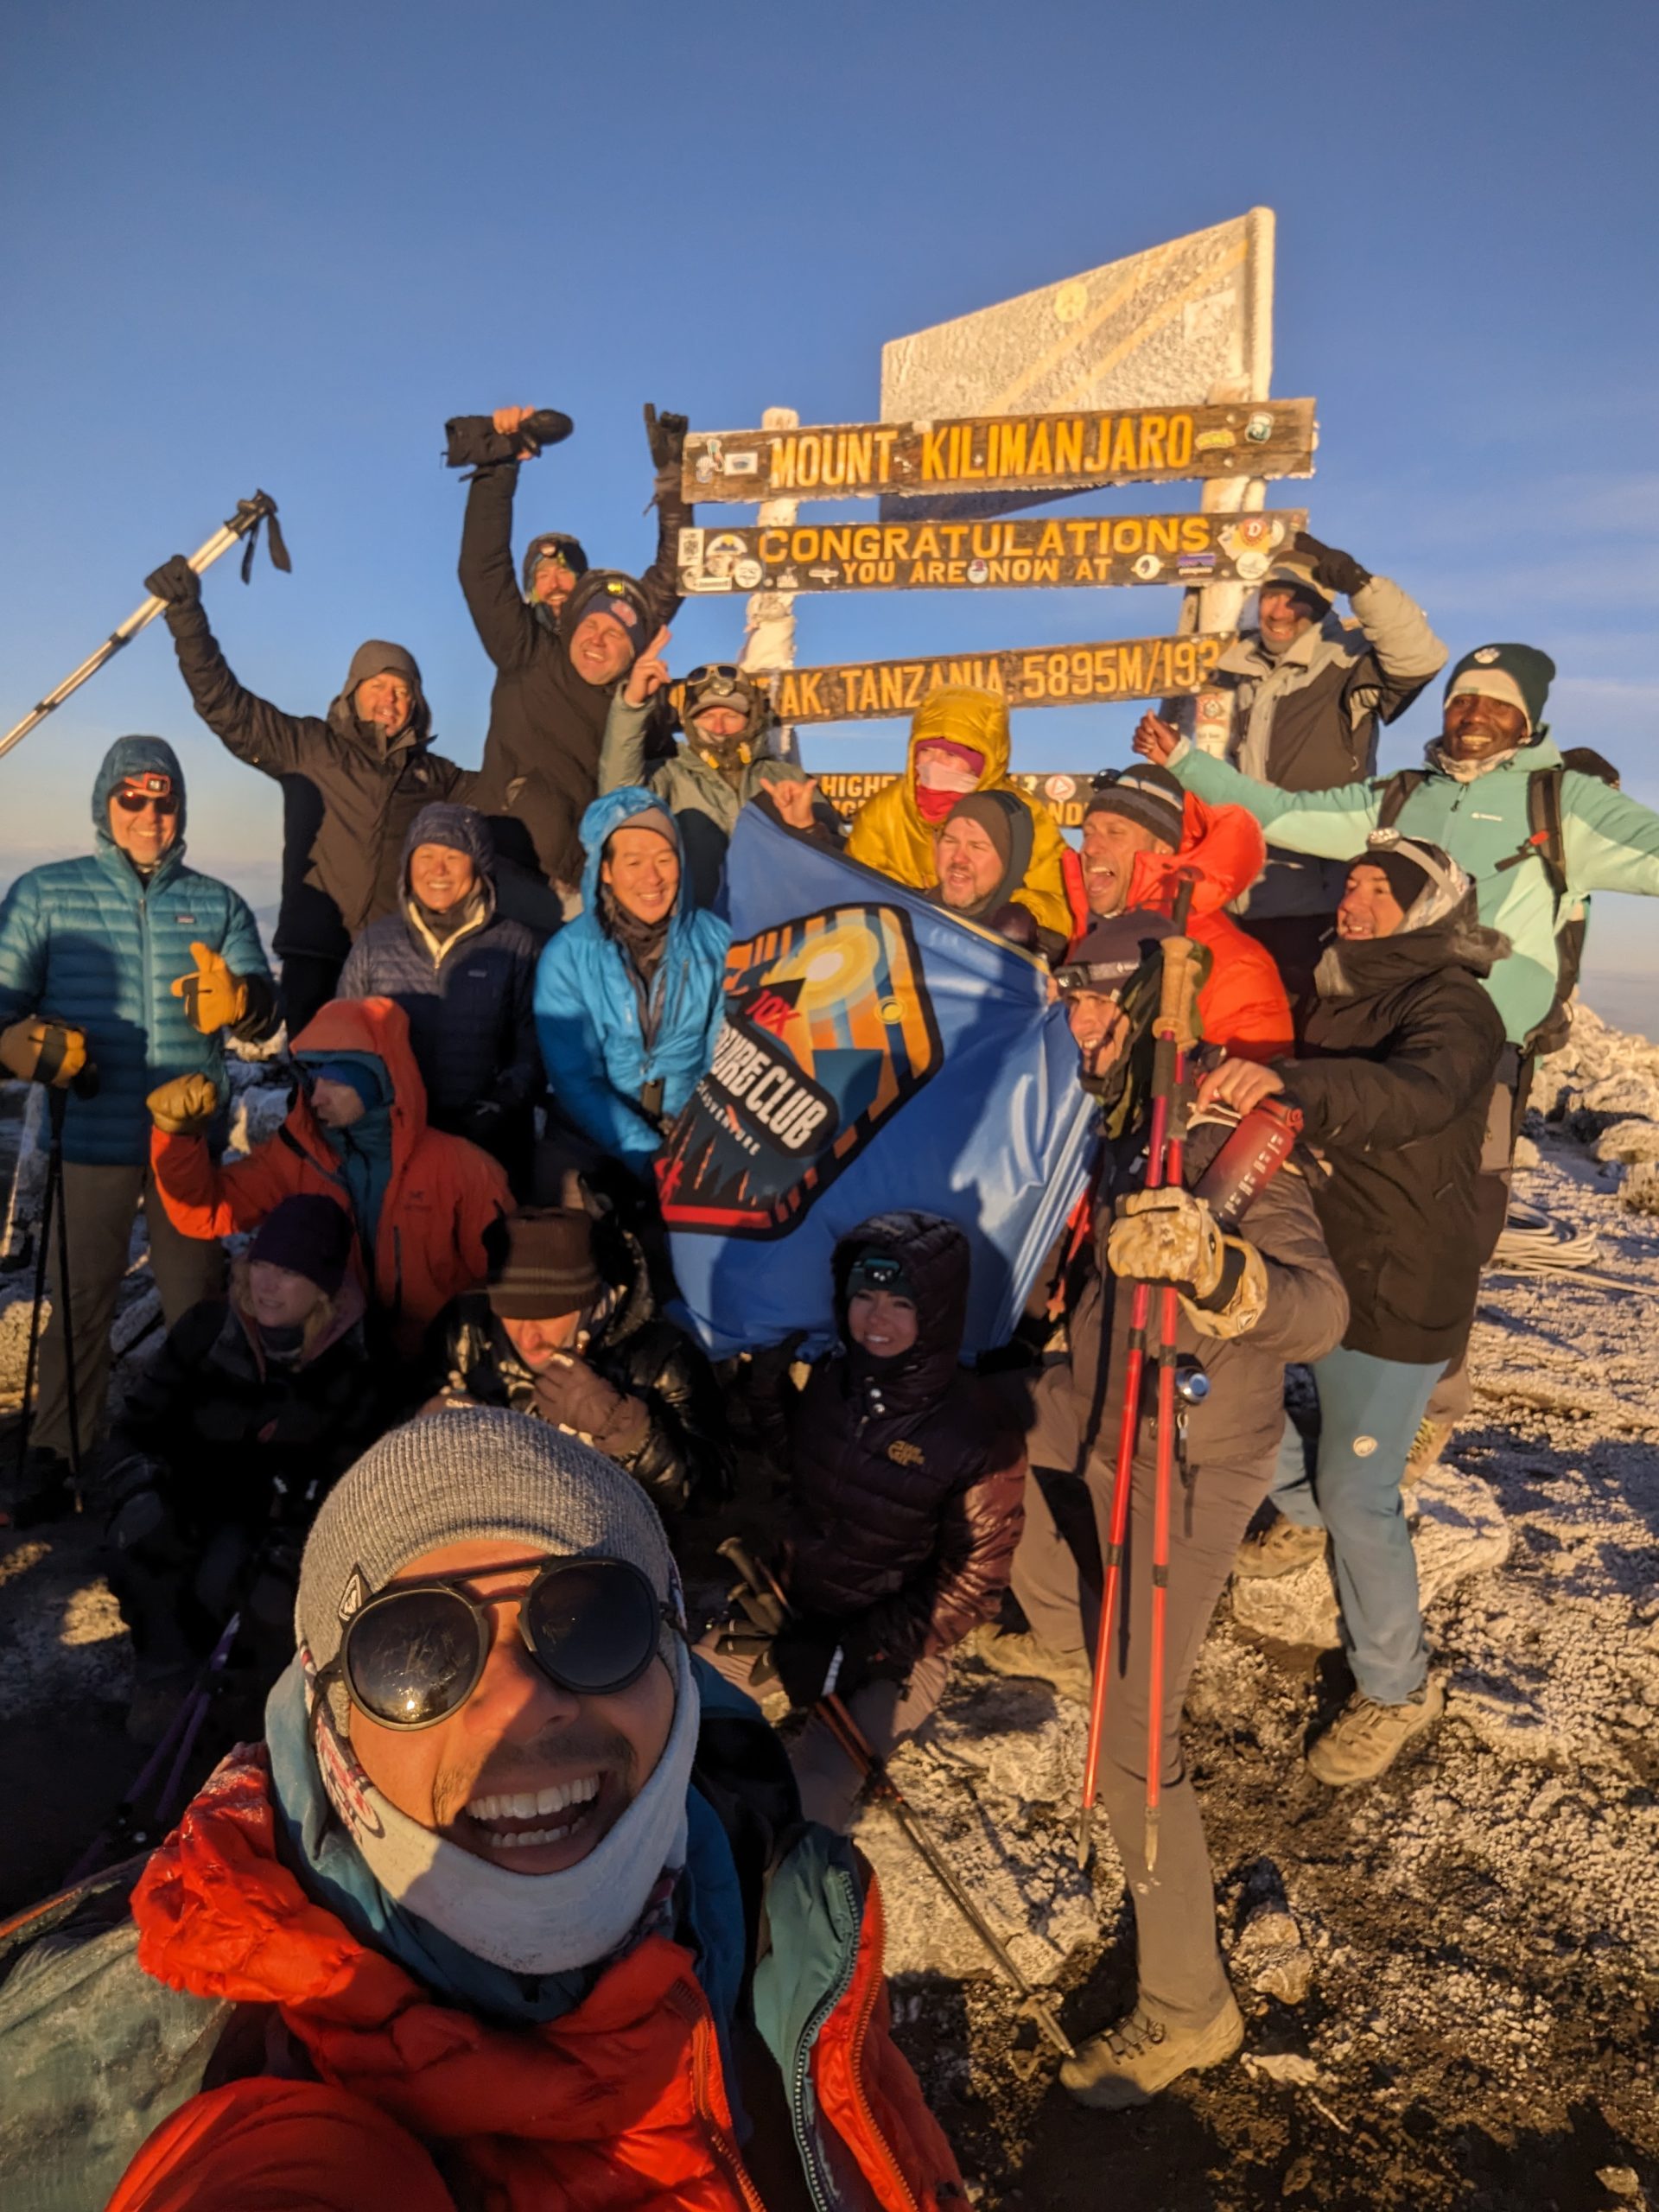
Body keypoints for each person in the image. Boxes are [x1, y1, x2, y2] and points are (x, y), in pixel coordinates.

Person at [78, 1409, 965, 2212]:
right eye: (414, 1652)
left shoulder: (787, 1916)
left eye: (592, 1621)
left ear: (675, 1662)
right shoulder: (281, 2111)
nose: (519, 1703)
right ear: (331, 1731)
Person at [979, 909, 1348, 2106]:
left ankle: (1190, 2007)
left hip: (1184, 1455)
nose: (1072, 1019)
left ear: (1143, 1008)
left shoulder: (1218, 1129)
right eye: (1066, 995)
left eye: (1092, 998)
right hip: (1096, 1405)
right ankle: (1074, 1639)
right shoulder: (1120, 1113)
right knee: (982, 1439)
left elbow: (1319, 1308)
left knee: (1139, 1743)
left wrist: (1213, 1267)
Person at [1138, 640, 1659, 1387]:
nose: (1473, 714)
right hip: (1373, 1023)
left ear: (1529, 720)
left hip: (1480, 1045)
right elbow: (1283, 813)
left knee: (1460, 1210)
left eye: (1496, 703)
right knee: (1355, 1203)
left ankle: (1431, 1388)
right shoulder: (1402, 794)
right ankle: (1348, 1363)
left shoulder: (1562, 799)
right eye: (1461, 700)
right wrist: (1187, 761)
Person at [1208, 835, 1507, 1783]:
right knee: (1246, 1407)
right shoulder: (1340, 985)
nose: (1355, 900)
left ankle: (1397, 1687)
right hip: (1332, 1262)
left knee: (1361, 1493)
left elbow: (1416, 1094)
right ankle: (1304, 1513)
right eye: (1352, 884)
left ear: (1427, 909)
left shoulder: (1455, 1004)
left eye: (1381, 889)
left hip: (1402, 1286)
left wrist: (1292, 1086)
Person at [0, 737, 278, 1506]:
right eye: (133, 799)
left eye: (165, 801)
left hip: (183, 1140)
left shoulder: (219, 903)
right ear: (105, 802)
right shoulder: (44, 895)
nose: (150, 815)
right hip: (89, 1131)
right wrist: (13, 1045)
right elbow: (2, 1003)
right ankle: (59, 1450)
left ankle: (195, 1452)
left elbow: (264, 1006)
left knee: (197, 1302)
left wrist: (246, 1001)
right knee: (80, 1298)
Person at [715, 1212, 1026, 1834]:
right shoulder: (836, 1381)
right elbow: (803, 1468)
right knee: (682, 1705)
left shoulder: (977, 1436)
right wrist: (769, 1396)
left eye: (901, 1304)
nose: (876, 1320)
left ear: (936, 1314)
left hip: (896, 1652)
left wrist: (853, 1649)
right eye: (864, 1297)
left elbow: (973, 1586)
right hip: (791, 1612)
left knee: (806, 1800)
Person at [143, 557, 472, 1035]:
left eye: (403, 691)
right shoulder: (309, 747)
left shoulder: (436, 777)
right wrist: (187, 618)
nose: (390, 700)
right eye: (378, 686)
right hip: (315, 956)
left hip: (397, 960)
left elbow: (506, 797)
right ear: (353, 692)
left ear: (416, 704)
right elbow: (228, 707)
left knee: (396, 1075)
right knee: (315, 1076)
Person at [104, 1194, 381, 1741]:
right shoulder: (210, 1328)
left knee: (254, 1592)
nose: (267, 1284)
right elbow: (137, 1423)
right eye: (262, 1264)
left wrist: (296, 1547)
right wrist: (138, 1487)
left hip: (279, 1523)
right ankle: (163, 1676)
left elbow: (353, 1479)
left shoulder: (359, 1361)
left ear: (323, 1288)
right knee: (142, 1543)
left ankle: (248, 1704)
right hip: (190, 1498)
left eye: (289, 1273)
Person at [1136, 531, 1446, 993]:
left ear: (1320, 607)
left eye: (1296, 598)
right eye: (1271, 595)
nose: (1279, 611)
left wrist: (1360, 585)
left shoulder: (1347, 665)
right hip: (1235, 893)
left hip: (1314, 897)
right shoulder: (1235, 670)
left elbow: (1419, 656)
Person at [144, 995, 510, 1354]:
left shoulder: (462, 1169)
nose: (316, 1097)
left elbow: (505, 1282)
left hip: (436, 1361)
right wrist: (177, 1139)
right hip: (330, 1359)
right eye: (312, 1081)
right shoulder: (296, 1156)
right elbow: (205, 1212)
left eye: (334, 1082)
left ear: (378, 1081)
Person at [456, 402, 686, 915]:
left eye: (566, 573)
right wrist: (499, 461)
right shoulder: (522, 647)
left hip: (596, 884)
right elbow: (482, 568)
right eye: (542, 575)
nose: (555, 582)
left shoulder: (622, 652)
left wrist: (674, 488)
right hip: (512, 873)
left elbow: (671, 579)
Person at [425, 1202, 732, 1515]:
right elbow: (403, 1417)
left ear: (587, 1302)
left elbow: (711, 1496)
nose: (527, 1338)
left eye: (546, 1316)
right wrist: (424, 1424)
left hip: (609, 1533)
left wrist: (627, 1431)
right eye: (511, 1315)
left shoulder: (660, 1355)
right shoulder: (467, 1330)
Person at [337, 801, 540, 1188]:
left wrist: (500, 1106)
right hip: (393, 1145)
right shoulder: (375, 944)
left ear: (479, 866)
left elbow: (533, 1047)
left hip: (489, 1147)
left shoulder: (515, 946)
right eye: (426, 856)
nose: (438, 870)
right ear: (407, 867)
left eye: (453, 856)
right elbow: (345, 1042)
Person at [534, 788, 728, 1185]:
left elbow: (725, 1061)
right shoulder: (566, 956)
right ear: (605, 870)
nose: (652, 878)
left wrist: (691, 1141)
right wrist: (650, 1157)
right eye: (634, 862)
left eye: (664, 859)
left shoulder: (719, 944)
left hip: (690, 1133)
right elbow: (576, 1078)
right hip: (589, 1135)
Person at [1074, 760, 1294, 1059]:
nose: (1090, 848)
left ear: (1162, 849)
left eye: (1115, 832)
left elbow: (1254, 1078)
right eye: (1087, 833)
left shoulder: (1233, 962)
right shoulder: (1078, 932)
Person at [846, 685, 1074, 942]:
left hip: (983, 950)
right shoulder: (883, 811)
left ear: (983, 763)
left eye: (951, 754)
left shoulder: (1021, 816)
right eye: (926, 751)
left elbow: (1062, 902)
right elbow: (851, 885)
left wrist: (1018, 913)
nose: (934, 764)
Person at [598, 648, 817, 906]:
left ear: (751, 719)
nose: (719, 727)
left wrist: (809, 830)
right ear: (690, 722)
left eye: (731, 716)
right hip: (697, 922)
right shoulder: (669, 776)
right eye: (707, 716)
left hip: (774, 922)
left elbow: (837, 861)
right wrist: (631, 706)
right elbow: (618, 797)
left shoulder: (789, 779)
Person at [926, 789, 1065, 959]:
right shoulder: (906, 915)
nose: (958, 858)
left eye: (977, 847)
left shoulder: (1038, 950)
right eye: (950, 841)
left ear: (1010, 861)